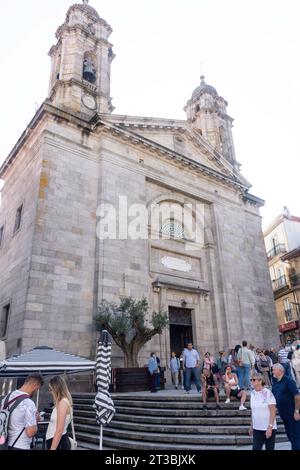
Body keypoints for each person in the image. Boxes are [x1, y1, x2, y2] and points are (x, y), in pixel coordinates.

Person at [0, 373, 44, 450]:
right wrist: (35, 421)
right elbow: (30, 432)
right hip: (21, 445)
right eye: (37, 389)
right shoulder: (28, 403)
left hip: (5, 444)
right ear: (35, 385)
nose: (36, 391)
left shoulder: (6, 398)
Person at [272, 363, 300, 450]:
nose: (272, 371)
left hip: (293, 415)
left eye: (273, 370)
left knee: (295, 438)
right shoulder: (275, 382)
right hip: (284, 415)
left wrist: (296, 411)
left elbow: (297, 396)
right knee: (289, 436)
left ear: (280, 371)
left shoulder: (289, 381)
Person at [249, 372, 277, 450]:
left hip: (268, 427)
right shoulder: (252, 394)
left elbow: (273, 411)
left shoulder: (268, 393)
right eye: (251, 380)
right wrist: (251, 426)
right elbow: (253, 411)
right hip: (257, 428)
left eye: (254, 380)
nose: (251, 381)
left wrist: (270, 427)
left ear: (260, 381)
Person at [45, 376, 73, 450]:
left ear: (56, 389)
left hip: (58, 442)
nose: (50, 392)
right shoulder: (62, 402)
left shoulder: (63, 403)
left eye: (50, 389)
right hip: (56, 441)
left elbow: (59, 430)